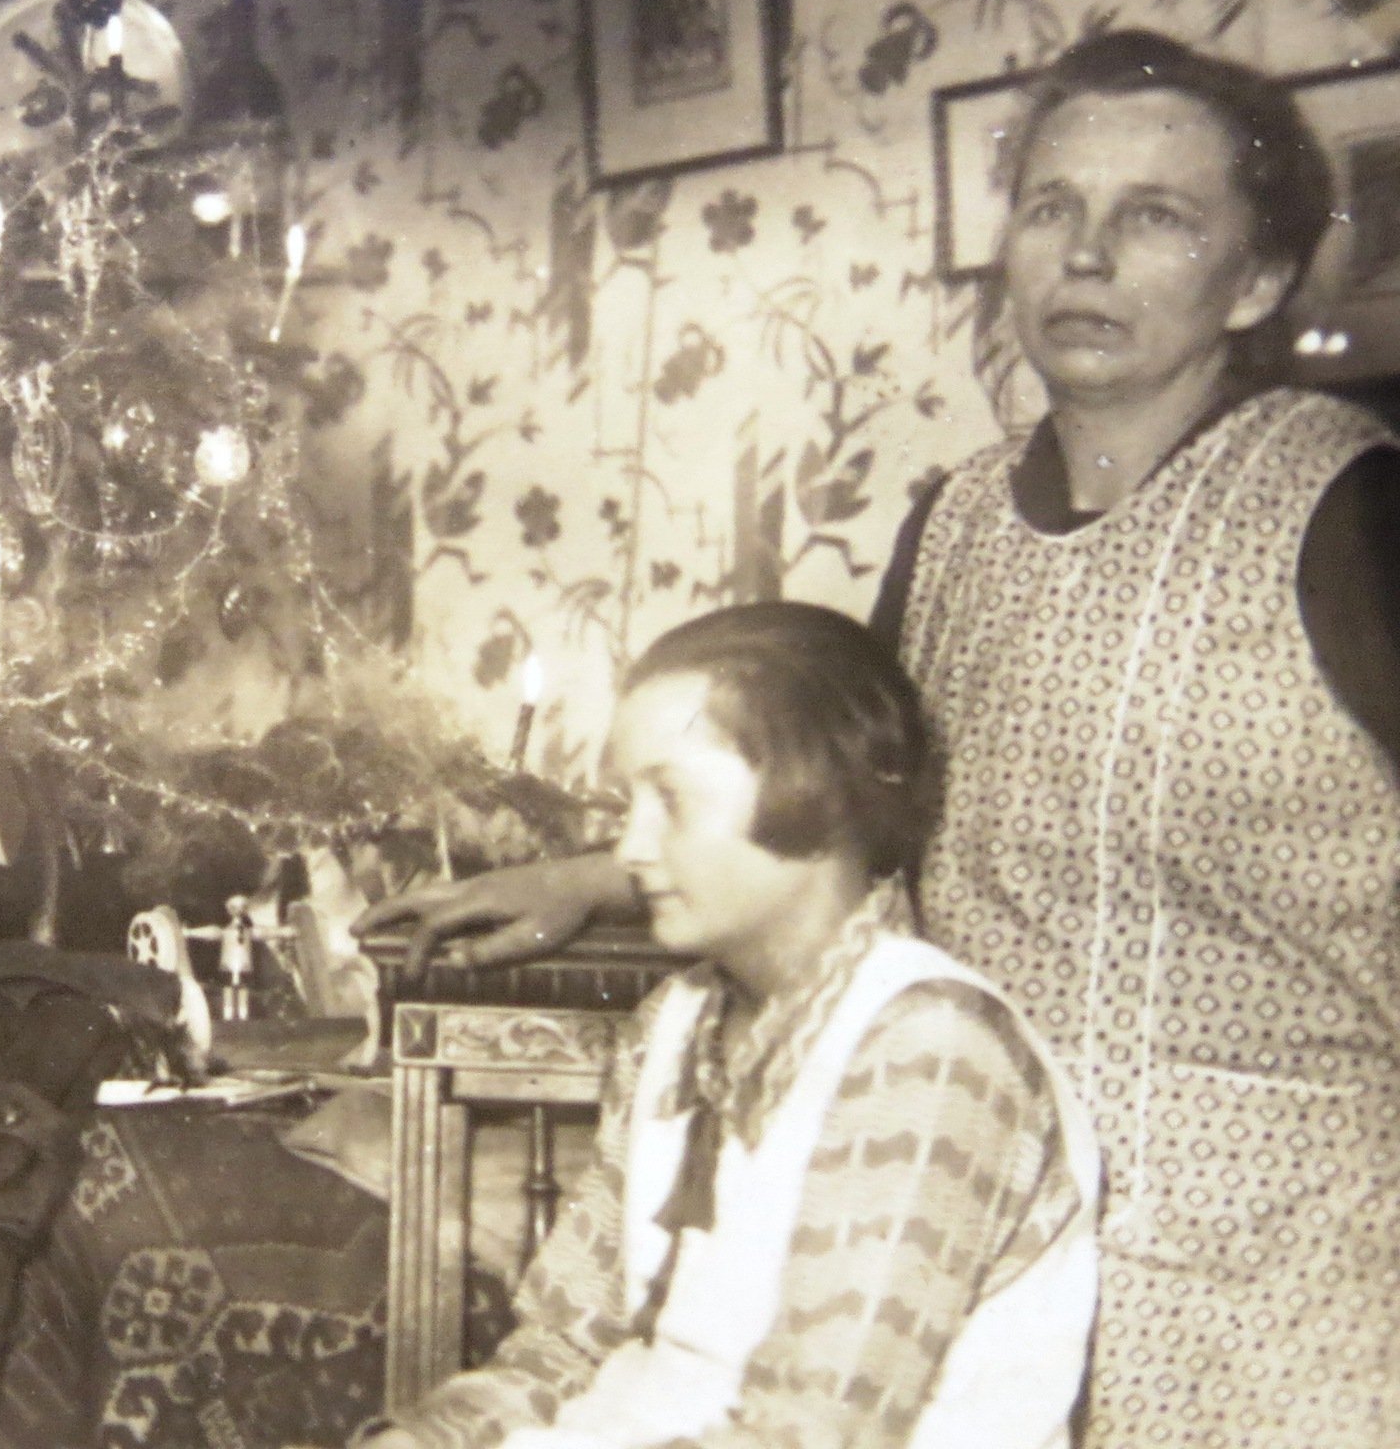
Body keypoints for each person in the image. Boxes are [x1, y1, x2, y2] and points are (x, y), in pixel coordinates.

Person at [362, 29, 1400, 1447]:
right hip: (956, 1263)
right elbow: (850, 799)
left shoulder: (1351, 510)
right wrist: (596, 876)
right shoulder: (955, 522)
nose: (1087, 254)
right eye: (1052, 206)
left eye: (1156, 216)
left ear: (1260, 278)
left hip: (1292, 1311)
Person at [363, 603, 1099, 1449]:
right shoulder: (673, 1025)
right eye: (628, 802)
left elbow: (811, 1431)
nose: (630, 849)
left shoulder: (931, 1052)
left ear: (818, 795)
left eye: (670, 799)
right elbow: (566, 1346)